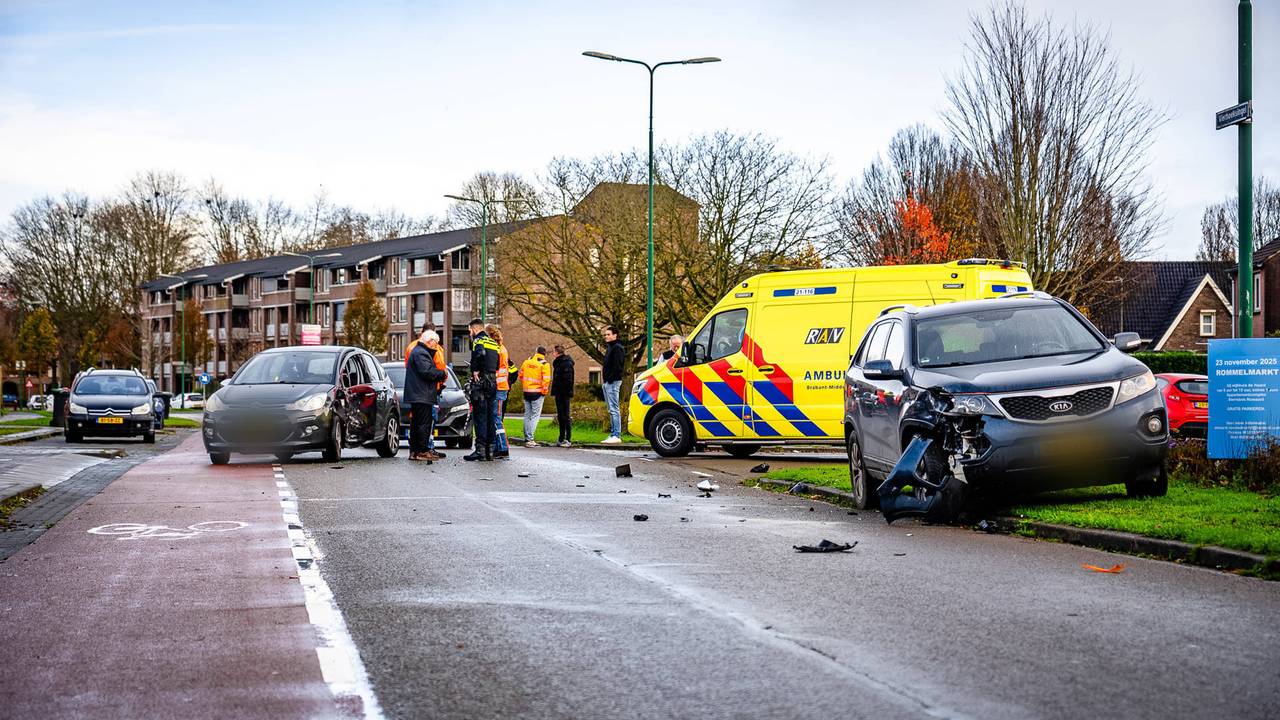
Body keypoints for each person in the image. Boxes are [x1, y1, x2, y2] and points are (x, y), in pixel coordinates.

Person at [405, 330, 446, 462]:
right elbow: (427, 372)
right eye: (436, 343)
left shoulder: (417, 351)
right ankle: (422, 451)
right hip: (422, 394)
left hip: (419, 393)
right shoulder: (421, 353)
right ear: (429, 341)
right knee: (423, 423)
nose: (437, 345)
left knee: (417, 423)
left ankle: (415, 451)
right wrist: (442, 374)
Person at [463, 319, 499, 462]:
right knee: (490, 416)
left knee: (480, 416)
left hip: (481, 382)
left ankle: (480, 450)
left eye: (469, 331)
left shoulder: (479, 341)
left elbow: (478, 354)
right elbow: (496, 363)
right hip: (492, 382)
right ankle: (490, 450)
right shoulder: (493, 342)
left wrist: (475, 370)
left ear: (474, 329)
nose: (470, 333)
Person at [487, 324, 514, 460]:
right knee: (496, 417)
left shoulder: (497, 350)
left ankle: (503, 448)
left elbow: (495, 368)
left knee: (497, 418)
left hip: (498, 386)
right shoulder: (502, 348)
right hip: (501, 386)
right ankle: (499, 446)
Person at [518, 346, 552, 446]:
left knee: (527, 415)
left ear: (536, 352)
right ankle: (530, 439)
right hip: (537, 393)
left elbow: (521, 375)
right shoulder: (545, 364)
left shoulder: (527, 362)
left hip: (526, 391)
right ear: (544, 354)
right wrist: (544, 392)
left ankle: (526, 437)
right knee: (535, 416)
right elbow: (546, 380)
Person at [601, 325, 624, 444]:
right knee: (611, 409)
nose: (606, 336)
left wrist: (610, 379)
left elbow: (618, 366)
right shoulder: (610, 347)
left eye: (608, 334)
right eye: (605, 335)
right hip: (608, 382)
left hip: (613, 382)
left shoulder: (617, 348)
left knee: (614, 409)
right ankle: (613, 433)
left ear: (615, 335)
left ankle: (616, 434)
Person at [550, 344, 575, 447]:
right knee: (561, 415)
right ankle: (561, 437)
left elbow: (568, 379)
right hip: (559, 392)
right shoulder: (559, 363)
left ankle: (567, 438)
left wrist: (566, 391)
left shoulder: (566, 363)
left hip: (564, 392)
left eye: (554, 352)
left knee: (565, 415)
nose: (553, 354)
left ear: (557, 353)